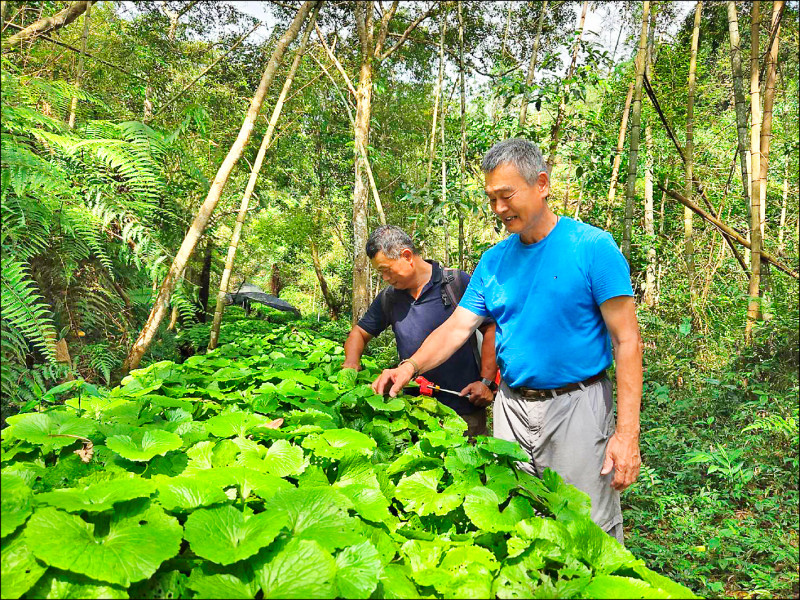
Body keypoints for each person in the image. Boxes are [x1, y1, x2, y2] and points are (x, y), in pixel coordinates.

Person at [371, 139, 642, 543]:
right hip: (512, 408)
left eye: (506, 196)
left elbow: (627, 342)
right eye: (491, 198)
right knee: (522, 524)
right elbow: (457, 328)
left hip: (577, 407)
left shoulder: (592, 248)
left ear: (542, 184)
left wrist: (626, 435)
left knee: (588, 531)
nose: (499, 208)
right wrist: (409, 366)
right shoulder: (494, 261)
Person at [343, 225, 498, 437]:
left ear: (407, 256)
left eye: (386, 270)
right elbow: (358, 333)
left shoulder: (455, 283)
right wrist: (351, 365)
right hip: (412, 411)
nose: (385, 278)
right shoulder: (389, 297)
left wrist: (486, 382)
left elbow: (490, 327)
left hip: (463, 410)